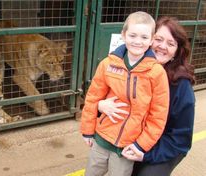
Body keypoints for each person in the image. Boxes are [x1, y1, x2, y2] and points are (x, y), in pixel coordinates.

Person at [99, 16, 196, 176]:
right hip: (134, 135)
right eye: (158, 39)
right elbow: (98, 94)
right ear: (150, 39)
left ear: (176, 52)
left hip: (165, 145)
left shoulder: (181, 86)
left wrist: (145, 154)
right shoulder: (126, 64)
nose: (162, 46)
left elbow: (181, 140)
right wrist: (100, 106)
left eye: (171, 43)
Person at [80, 11, 170, 176]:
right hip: (101, 138)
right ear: (123, 35)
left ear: (151, 40)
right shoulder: (108, 64)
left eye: (144, 37)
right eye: (133, 35)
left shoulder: (156, 73)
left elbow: (158, 115)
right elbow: (93, 97)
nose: (137, 41)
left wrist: (141, 145)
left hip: (127, 147)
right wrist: (87, 129)